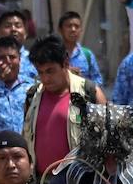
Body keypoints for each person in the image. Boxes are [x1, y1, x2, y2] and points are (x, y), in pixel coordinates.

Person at [22, 35, 108, 175]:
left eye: (50, 71)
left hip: (80, 183)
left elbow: (107, 141)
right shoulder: (32, 97)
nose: (45, 79)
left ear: (65, 63)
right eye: (40, 72)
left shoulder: (90, 93)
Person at [58, 11, 104, 84]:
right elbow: (35, 78)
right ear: (60, 30)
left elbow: (98, 81)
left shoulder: (87, 55)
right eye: (69, 26)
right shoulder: (52, 54)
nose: (73, 29)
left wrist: (82, 80)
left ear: (81, 30)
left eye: (77, 26)